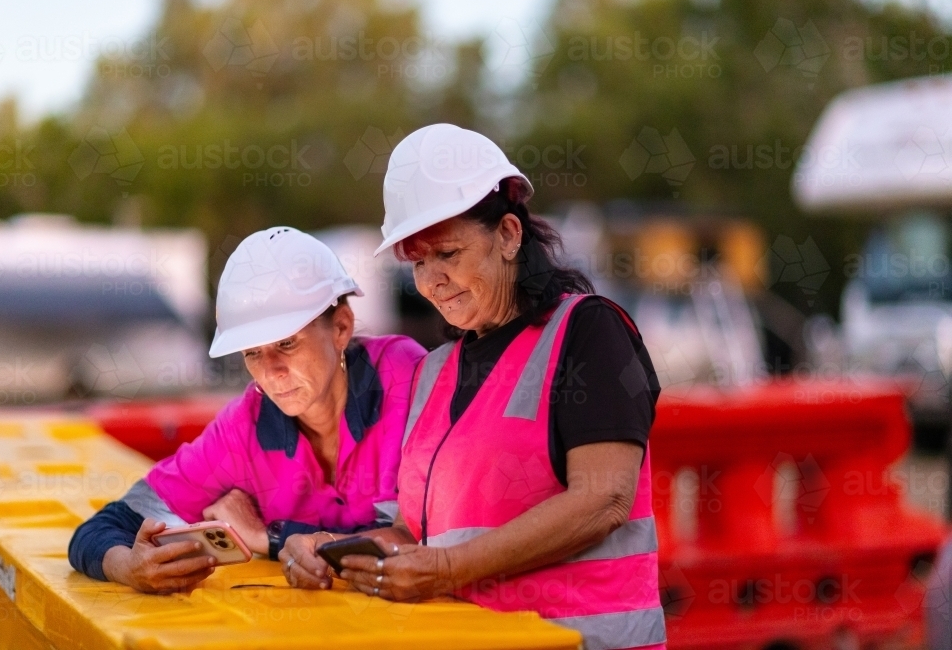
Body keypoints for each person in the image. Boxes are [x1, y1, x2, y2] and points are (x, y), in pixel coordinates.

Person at [282, 124, 665, 650]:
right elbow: (421, 538)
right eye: (418, 262)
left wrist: (444, 569)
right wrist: (332, 548)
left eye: (448, 254)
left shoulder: (587, 332)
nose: (432, 280)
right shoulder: (436, 371)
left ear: (509, 234)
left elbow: (604, 499)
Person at [68, 227, 425, 593]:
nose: (271, 372)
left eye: (287, 343)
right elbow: (100, 529)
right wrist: (128, 566)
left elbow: (429, 535)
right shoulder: (243, 427)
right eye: (252, 352)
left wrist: (268, 537)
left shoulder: (408, 381)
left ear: (341, 328)